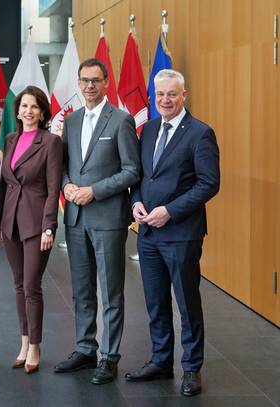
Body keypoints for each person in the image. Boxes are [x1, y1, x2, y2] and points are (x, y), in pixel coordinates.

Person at [126, 69, 220, 397]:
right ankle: (161, 360)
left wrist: (170, 210)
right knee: (155, 301)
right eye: (160, 94)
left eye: (172, 94)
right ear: (154, 97)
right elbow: (142, 176)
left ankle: (191, 367)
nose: (165, 100)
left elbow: (209, 184)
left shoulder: (200, 133)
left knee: (186, 302)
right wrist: (136, 201)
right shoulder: (149, 129)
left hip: (181, 233)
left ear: (184, 96)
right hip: (148, 234)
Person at [54, 58, 141, 385]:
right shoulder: (72, 120)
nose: (89, 86)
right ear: (78, 83)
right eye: (85, 80)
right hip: (75, 218)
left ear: (106, 83)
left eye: (95, 80)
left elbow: (132, 171)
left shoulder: (121, 120)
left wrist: (94, 191)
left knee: (111, 290)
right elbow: (62, 165)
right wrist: (67, 186)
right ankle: (85, 348)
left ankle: (110, 356)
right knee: (81, 289)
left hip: (107, 217)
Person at [0, 86, 62, 374]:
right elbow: (5, 183)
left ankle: (35, 345)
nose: (28, 111)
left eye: (34, 106)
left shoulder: (51, 142)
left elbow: (53, 187)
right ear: (17, 111)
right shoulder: (11, 139)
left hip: (36, 223)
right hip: (10, 222)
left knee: (32, 286)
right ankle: (23, 343)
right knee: (19, 284)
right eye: (24, 106)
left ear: (43, 112)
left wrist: (49, 227)